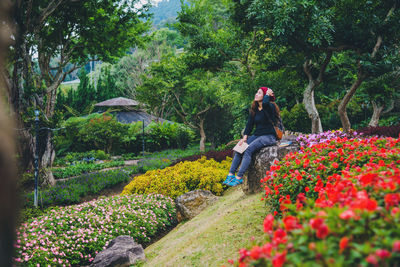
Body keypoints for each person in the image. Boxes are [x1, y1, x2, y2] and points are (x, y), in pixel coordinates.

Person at [224, 87, 279, 186]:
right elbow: (249, 124)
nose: (256, 94)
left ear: (265, 96)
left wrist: (267, 95)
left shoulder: (270, 106)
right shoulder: (255, 109)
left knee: (248, 150)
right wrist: (244, 138)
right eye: (256, 92)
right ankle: (231, 175)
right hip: (257, 135)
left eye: (259, 93)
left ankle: (239, 177)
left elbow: (265, 104)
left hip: (269, 136)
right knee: (239, 149)